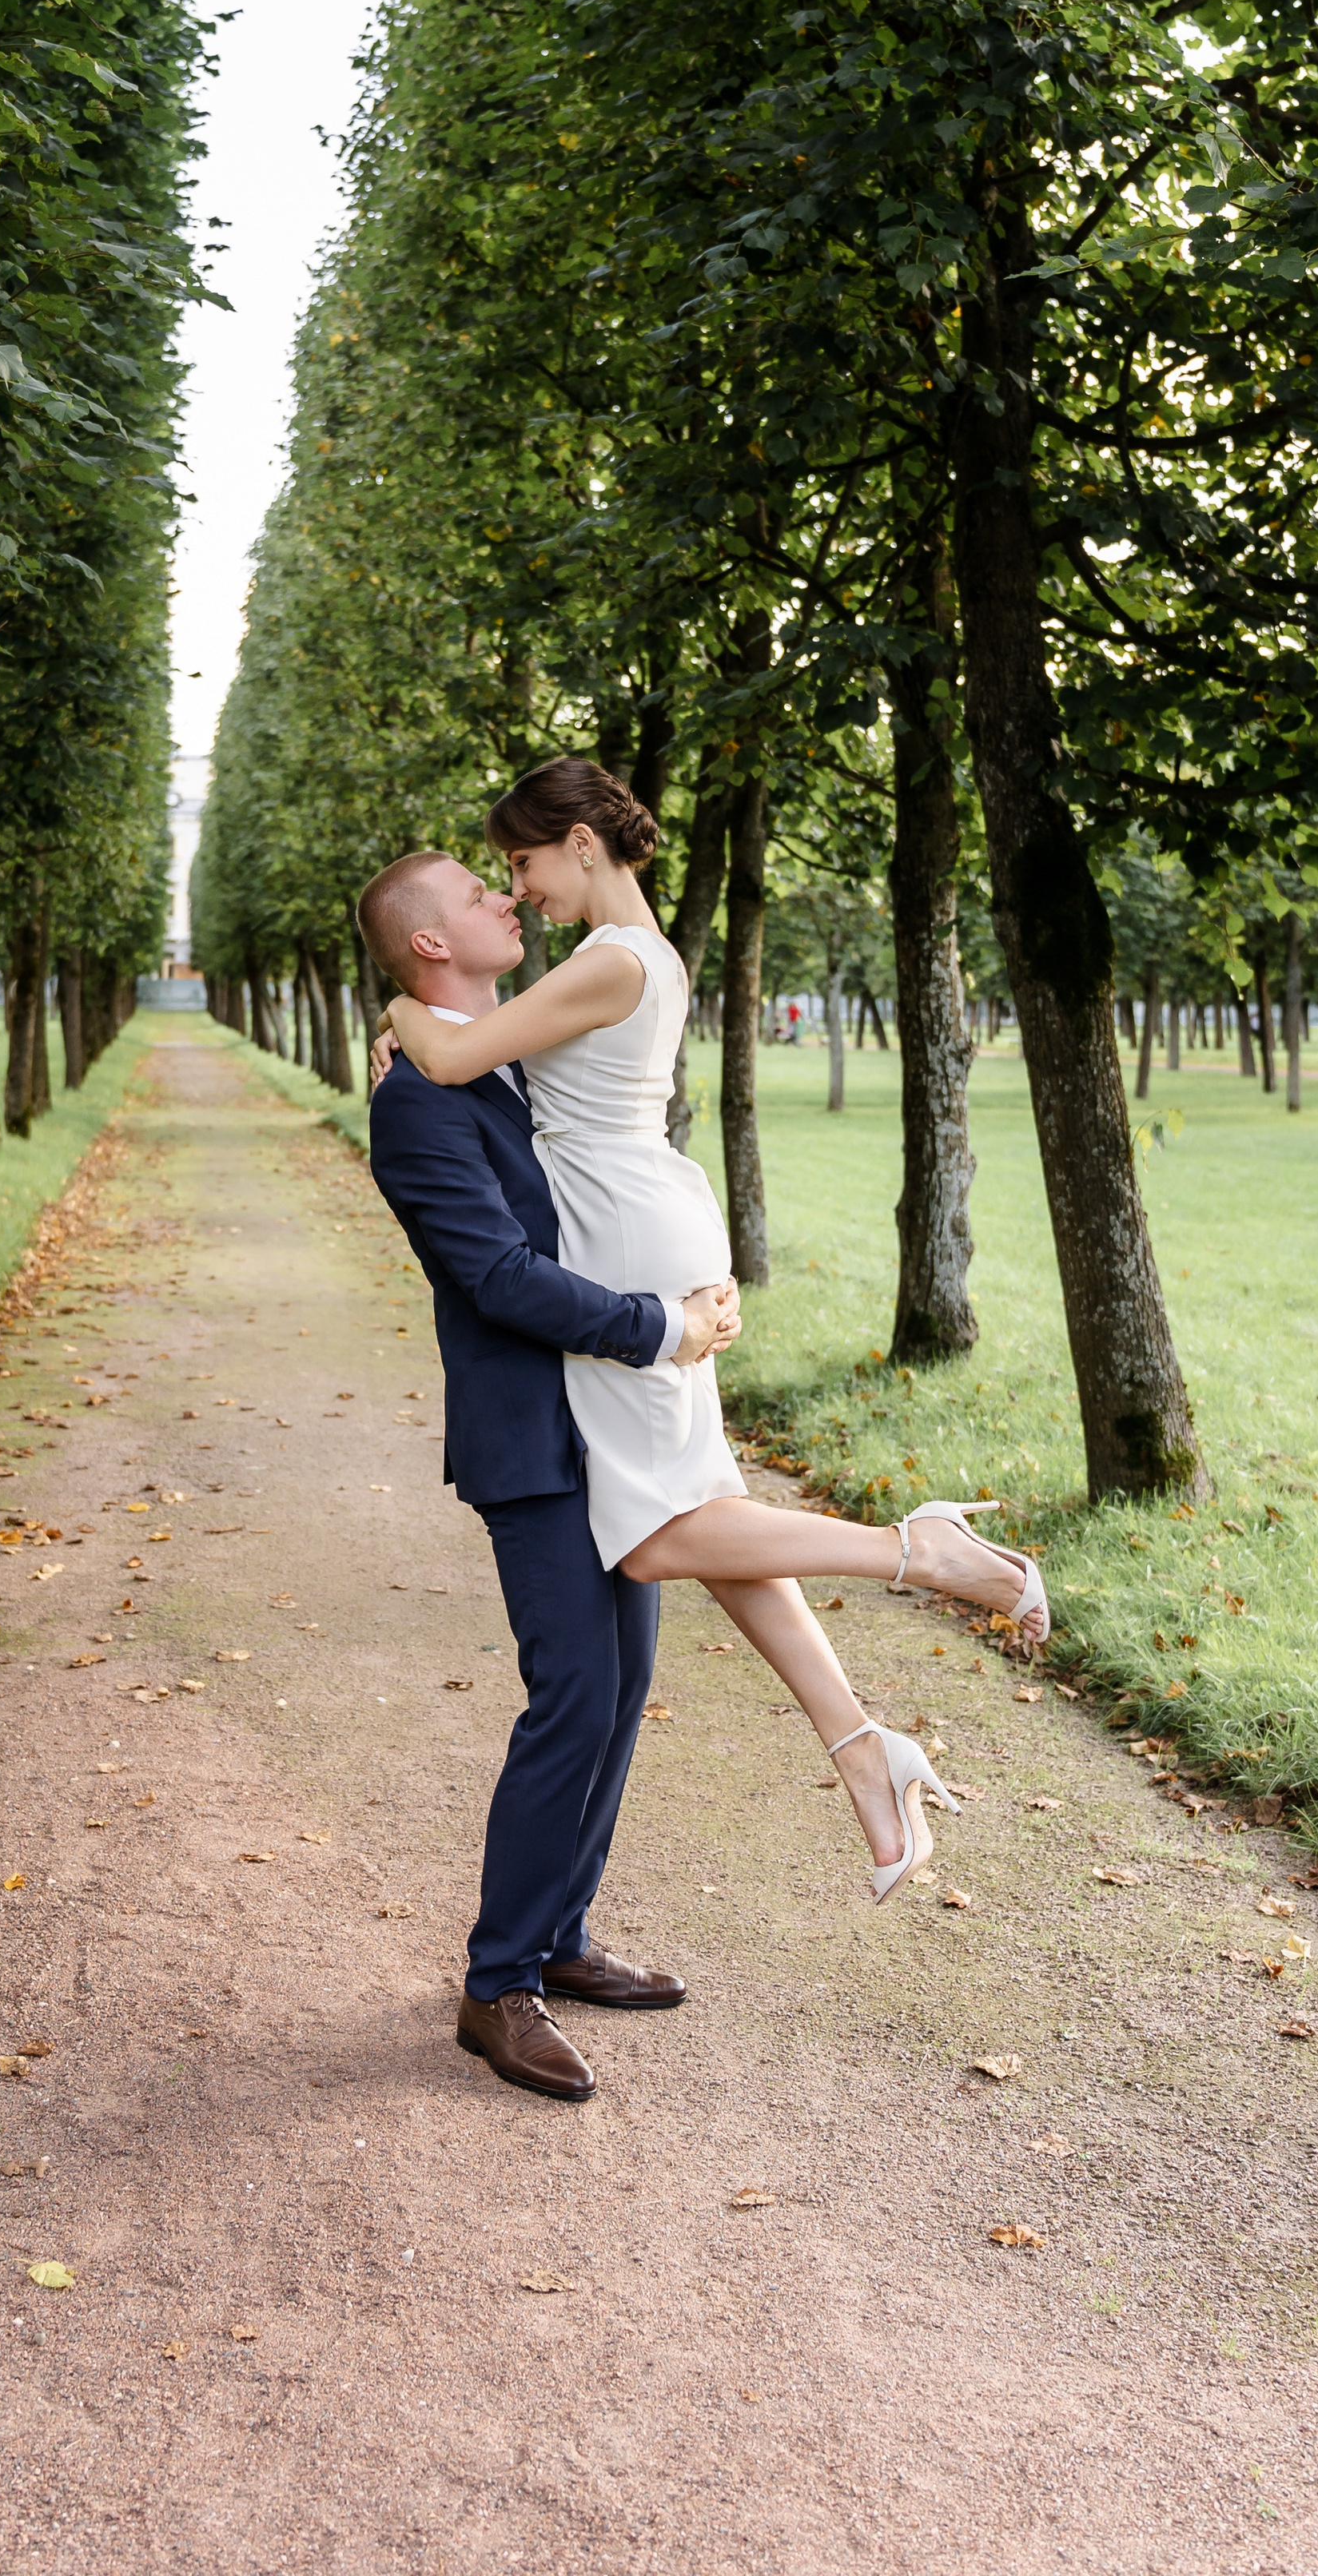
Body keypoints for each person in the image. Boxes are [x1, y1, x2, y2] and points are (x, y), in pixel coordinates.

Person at [373, 758, 1047, 1933]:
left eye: (518, 865)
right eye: (491, 884)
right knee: (693, 1518)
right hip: (640, 1238)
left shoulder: (607, 961)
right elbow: (476, 1104)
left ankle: (915, 1551)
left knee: (663, 1536)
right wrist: (413, 1022)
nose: (514, 891)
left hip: (632, 1248)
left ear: (582, 844)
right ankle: (859, 1743)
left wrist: (399, 1016)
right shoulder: (613, 965)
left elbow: (451, 1056)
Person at [359, 847, 738, 2101]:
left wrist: (691, 1277)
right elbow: (499, 1278)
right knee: (573, 1693)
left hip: (612, 1421)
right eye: (478, 894)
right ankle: (498, 1985)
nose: (504, 898)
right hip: (534, 1435)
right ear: (430, 942)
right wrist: (660, 1326)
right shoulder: (417, 1103)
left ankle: (562, 1936)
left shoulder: (512, 1051)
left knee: (623, 1687)